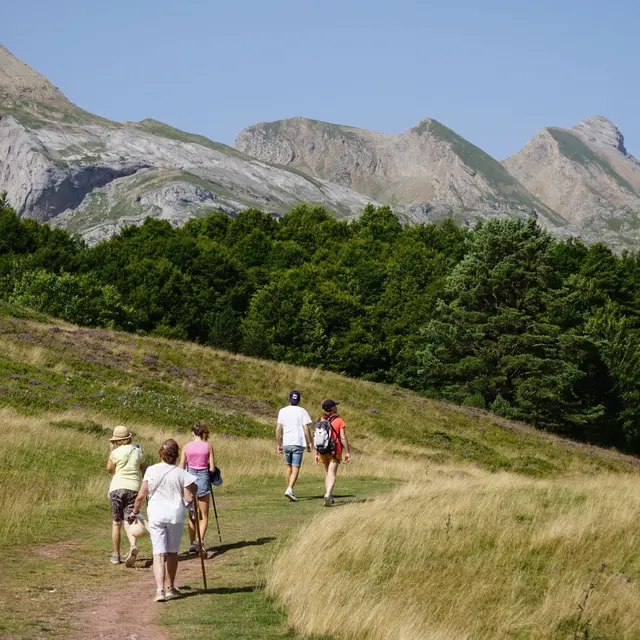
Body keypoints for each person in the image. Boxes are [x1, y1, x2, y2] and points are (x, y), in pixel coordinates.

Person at [131, 439, 197, 602]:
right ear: (176, 455)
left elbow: (141, 494)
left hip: (157, 515)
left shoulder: (151, 470)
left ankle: (160, 590)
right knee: (173, 552)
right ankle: (170, 587)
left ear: (161, 453)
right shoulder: (182, 473)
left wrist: (135, 511)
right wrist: (191, 499)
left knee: (159, 553)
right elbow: (189, 497)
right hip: (175, 515)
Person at [106, 425, 146, 567]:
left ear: (116, 440)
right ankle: (132, 546)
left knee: (116, 522)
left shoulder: (115, 453)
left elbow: (110, 469)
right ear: (128, 437)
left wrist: (112, 452)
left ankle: (116, 555)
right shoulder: (137, 451)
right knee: (130, 519)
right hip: (134, 487)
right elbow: (143, 468)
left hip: (117, 487)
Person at [179, 423, 215, 554]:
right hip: (203, 478)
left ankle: (192, 544)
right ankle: (201, 542)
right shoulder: (208, 446)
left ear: (193, 433)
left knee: (192, 515)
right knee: (203, 516)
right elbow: (211, 468)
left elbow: (181, 467)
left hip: (189, 479)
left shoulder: (186, 447)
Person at [276, 390, 313, 502]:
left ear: (289, 399)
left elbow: (278, 429)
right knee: (296, 467)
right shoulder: (302, 411)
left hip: (286, 443)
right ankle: (289, 489)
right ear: (299, 400)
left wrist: (278, 444)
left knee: (288, 466)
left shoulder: (282, 411)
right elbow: (306, 428)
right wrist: (310, 442)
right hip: (298, 442)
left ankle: (289, 490)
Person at [315, 400, 351, 506]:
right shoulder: (339, 421)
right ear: (332, 408)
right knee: (332, 473)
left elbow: (317, 437)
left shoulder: (320, 420)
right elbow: (343, 438)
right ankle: (328, 493)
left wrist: (317, 453)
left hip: (322, 450)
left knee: (327, 473)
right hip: (335, 450)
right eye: (335, 406)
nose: (336, 407)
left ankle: (329, 496)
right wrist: (348, 452)